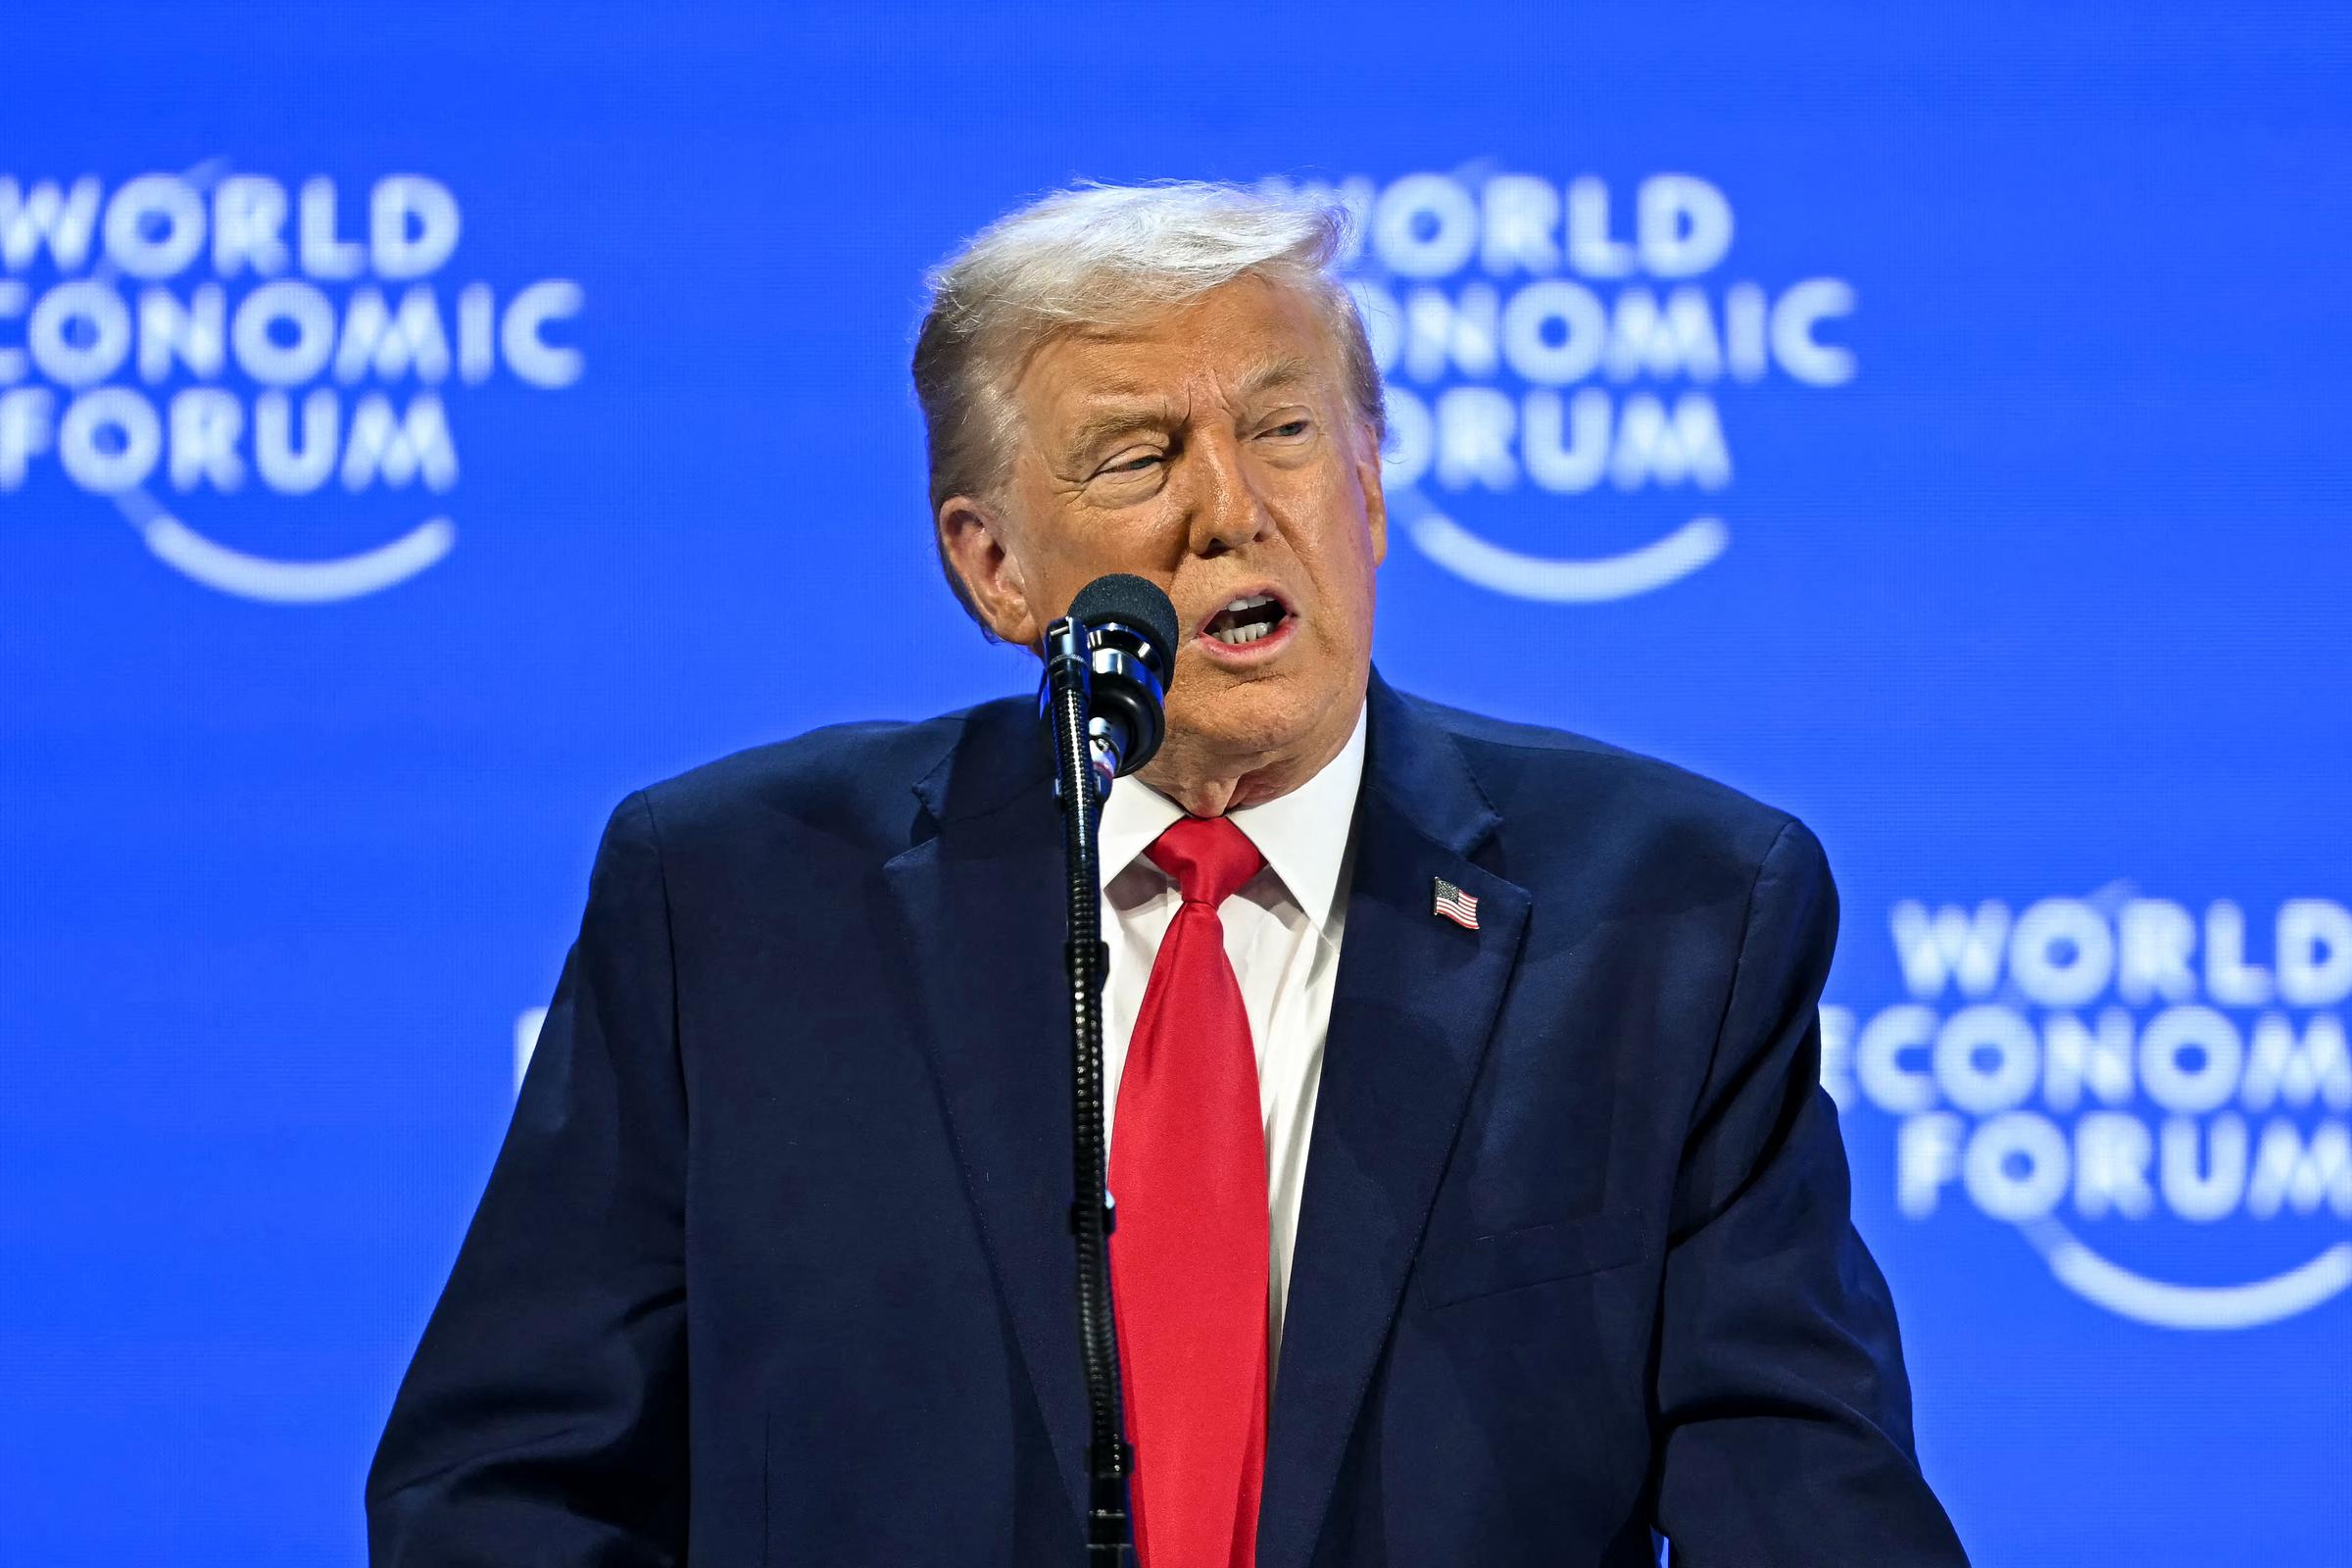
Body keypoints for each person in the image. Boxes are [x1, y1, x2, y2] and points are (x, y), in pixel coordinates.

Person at [367, 180, 1968, 1567]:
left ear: (1372, 486)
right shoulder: (734, 900)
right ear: (992, 565)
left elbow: (1804, 1499)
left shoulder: (1673, 917)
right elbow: (503, 1486)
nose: (1232, 511)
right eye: (1138, 458)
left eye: (1283, 429)